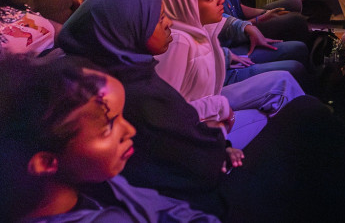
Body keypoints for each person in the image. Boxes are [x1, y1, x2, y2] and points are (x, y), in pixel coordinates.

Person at [56, 0, 345, 222]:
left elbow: (181, 136)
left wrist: (216, 141)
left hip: (206, 173)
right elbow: (188, 162)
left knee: (305, 118)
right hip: (214, 200)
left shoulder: (128, 73)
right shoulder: (131, 93)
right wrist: (219, 145)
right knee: (308, 116)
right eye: (157, 19)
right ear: (125, 32)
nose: (169, 24)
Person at [0, 55, 221, 223]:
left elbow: (158, 207)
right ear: (46, 162)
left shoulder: (97, 178)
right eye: (108, 126)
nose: (130, 131)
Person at [146, 0, 305, 149]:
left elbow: (229, 22)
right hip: (198, 120)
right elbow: (169, 111)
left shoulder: (198, 26)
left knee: (283, 81)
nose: (221, 0)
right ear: (185, 3)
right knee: (264, 116)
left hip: (211, 100)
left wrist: (249, 28)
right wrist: (219, 107)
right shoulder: (177, 42)